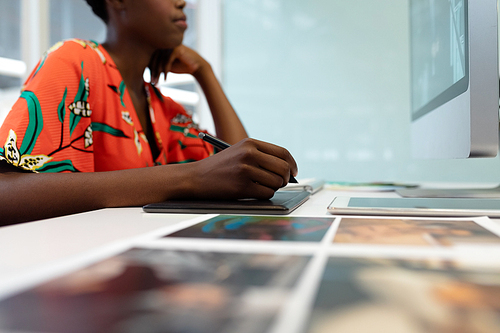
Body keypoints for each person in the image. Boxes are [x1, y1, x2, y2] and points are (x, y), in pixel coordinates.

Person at [0, 0, 298, 225]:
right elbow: (6, 193)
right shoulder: (75, 61)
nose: (182, 2)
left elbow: (243, 175)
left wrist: (204, 73)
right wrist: (189, 177)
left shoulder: (164, 109)